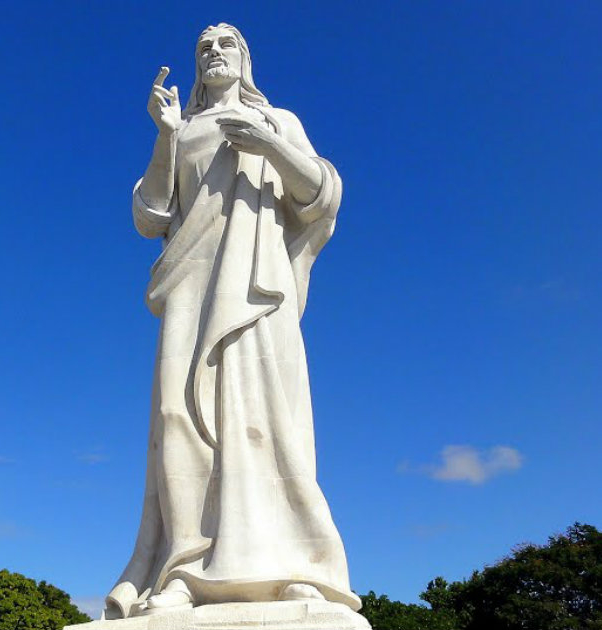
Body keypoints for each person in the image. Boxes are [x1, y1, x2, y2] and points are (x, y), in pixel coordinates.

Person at [105, 23, 358, 619]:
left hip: (255, 286)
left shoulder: (277, 120)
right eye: (204, 47)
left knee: (264, 419)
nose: (214, 52)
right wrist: (165, 136)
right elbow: (151, 214)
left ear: (245, 59)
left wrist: (271, 147)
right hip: (190, 285)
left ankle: (294, 567)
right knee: (179, 418)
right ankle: (184, 570)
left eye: (226, 45)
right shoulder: (184, 128)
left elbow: (321, 196)